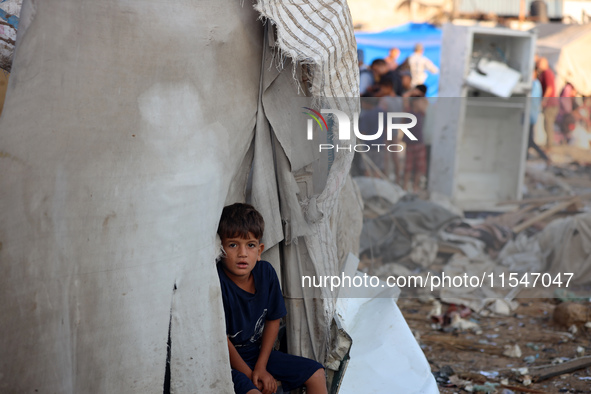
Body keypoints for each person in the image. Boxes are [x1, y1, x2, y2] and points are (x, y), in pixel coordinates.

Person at [216, 203, 327, 394]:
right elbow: (221, 341)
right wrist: (252, 376)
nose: (242, 253)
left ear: (259, 251)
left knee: (316, 373)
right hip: (226, 362)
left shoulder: (265, 273)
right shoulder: (217, 283)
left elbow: (273, 319)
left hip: (258, 355)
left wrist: (261, 366)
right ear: (220, 249)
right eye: (233, 245)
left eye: (250, 245)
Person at [529, 69, 551, 165]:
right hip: (531, 115)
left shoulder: (535, 85)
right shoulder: (534, 84)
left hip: (531, 116)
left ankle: (545, 157)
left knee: (529, 140)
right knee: (528, 140)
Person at [536, 57, 559, 150]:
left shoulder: (547, 73)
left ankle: (549, 145)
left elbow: (549, 88)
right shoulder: (545, 73)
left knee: (548, 124)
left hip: (550, 104)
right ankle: (549, 144)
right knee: (547, 124)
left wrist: (544, 100)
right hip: (552, 103)